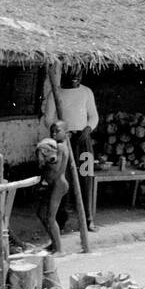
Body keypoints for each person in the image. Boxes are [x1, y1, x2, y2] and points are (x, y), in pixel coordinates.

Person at [44, 69, 97, 231]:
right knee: (63, 179)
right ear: (64, 74)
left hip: (84, 141)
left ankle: (88, 219)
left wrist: (88, 128)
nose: (76, 77)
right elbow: (48, 119)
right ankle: (61, 220)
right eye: (72, 74)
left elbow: (94, 115)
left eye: (79, 74)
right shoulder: (55, 93)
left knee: (86, 177)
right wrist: (61, 132)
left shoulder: (86, 92)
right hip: (64, 142)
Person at [34, 124, 71, 254]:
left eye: (58, 131)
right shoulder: (55, 145)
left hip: (58, 184)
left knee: (50, 217)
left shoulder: (61, 147)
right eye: (52, 131)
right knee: (41, 213)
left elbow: (56, 169)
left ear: (66, 131)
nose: (54, 133)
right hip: (53, 184)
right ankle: (54, 243)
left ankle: (59, 249)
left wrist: (45, 159)